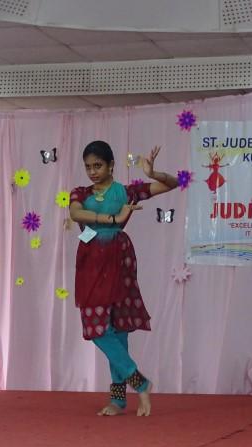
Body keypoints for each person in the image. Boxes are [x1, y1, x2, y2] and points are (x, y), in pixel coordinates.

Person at [69, 140, 178, 417]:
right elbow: (75, 212)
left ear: (111, 165)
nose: (92, 172)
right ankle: (139, 381)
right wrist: (114, 219)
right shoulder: (81, 192)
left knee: (117, 329)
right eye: (88, 167)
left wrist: (153, 174)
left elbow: (172, 184)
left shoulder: (127, 193)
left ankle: (118, 401)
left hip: (119, 259)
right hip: (91, 262)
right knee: (96, 328)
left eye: (98, 165)